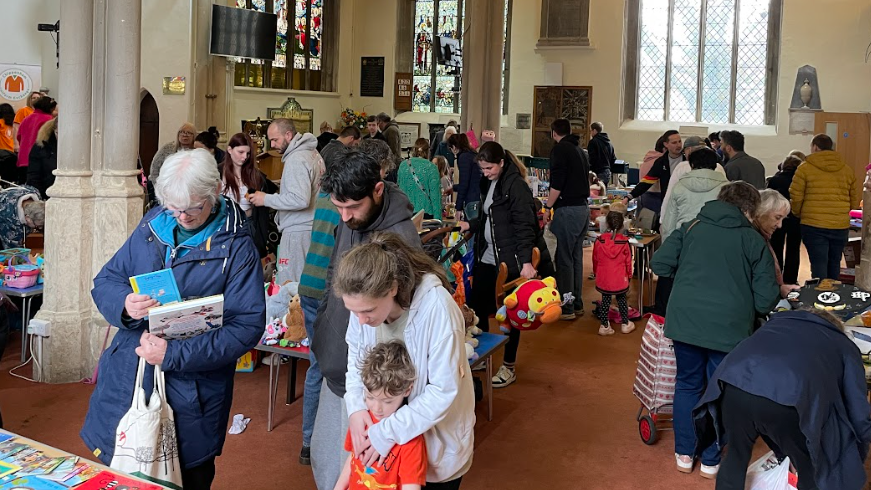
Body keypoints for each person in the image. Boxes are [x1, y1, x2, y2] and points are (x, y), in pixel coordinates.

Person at [82, 149, 266, 490]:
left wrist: (173, 356)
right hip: (128, 379)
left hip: (190, 394)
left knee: (185, 478)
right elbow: (106, 280)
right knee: (120, 474)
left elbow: (247, 326)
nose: (181, 216)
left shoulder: (237, 246)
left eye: (192, 208)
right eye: (173, 207)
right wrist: (124, 305)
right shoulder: (153, 224)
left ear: (214, 192)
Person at [650, 181, 780, 479]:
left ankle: (684, 452)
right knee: (718, 391)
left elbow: (660, 263)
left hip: (685, 323)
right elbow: (765, 299)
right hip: (729, 329)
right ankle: (710, 459)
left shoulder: (691, 227)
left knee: (686, 385)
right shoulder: (752, 240)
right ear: (749, 210)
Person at [310, 150, 419, 490]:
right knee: (325, 459)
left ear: (377, 190)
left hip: (368, 381)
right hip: (336, 359)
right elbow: (334, 272)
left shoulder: (399, 238)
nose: (344, 217)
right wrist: (326, 320)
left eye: (352, 207)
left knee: (359, 472)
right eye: (338, 207)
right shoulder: (351, 218)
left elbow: (404, 318)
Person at [335, 233, 475, 489]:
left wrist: (387, 432)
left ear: (393, 288)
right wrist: (355, 407)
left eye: (368, 311)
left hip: (435, 445)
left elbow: (443, 390)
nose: (360, 320)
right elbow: (355, 364)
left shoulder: (437, 308)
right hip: (385, 446)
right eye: (352, 311)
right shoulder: (362, 311)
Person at [694, 309, 871, 490]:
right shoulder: (843, 344)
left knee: (735, 455)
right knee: (810, 467)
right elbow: (858, 408)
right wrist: (857, 454)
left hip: (733, 385)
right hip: (788, 399)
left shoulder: (775, 325)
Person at [295, 126, 366, 467]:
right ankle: (330, 443)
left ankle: (307, 442)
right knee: (335, 366)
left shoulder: (325, 197)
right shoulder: (346, 205)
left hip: (308, 283)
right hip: (326, 287)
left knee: (316, 365)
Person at [460, 142, 555, 388]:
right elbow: (488, 216)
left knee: (510, 314)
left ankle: (508, 366)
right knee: (479, 306)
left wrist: (525, 263)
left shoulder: (517, 187)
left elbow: (525, 227)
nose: (486, 173)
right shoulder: (489, 182)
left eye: (489, 168)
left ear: (502, 163)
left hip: (510, 260)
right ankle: (481, 355)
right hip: (487, 256)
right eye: (482, 169)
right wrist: (472, 224)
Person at [334, 340, 427, 490]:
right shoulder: (361, 419)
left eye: (387, 401)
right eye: (370, 397)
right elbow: (353, 458)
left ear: (407, 390)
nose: (377, 408)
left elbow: (411, 484)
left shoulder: (410, 438)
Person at [249, 118, 324, 284]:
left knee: (290, 284)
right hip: (310, 226)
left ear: (288, 135)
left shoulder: (296, 159)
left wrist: (265, 198)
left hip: (298, 231)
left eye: (275, 140)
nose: (273, 145)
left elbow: (300, 199)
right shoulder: (312, 153)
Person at [790, 133, 858, 280]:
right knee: (834, 263)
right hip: (840, 225)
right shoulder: (847, 170)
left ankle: (820, 297)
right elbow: (854, 200)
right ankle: (833, 297)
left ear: (815, 147)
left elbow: (796, 196)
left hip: (813, 224)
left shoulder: (804, 169)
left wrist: (798, 213)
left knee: (818, 263)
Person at [543, 118, 590, 320]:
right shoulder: (579, 150)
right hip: (582, 209)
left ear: (554, 132)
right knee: (575, 257)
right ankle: (577, 303)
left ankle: (567, 305)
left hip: (568, 209)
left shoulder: (560, 150)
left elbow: (557, 183)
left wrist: (547, 206)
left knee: (563, 259)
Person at [219, 132, 278, 258]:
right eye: (240, 152)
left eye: (248, 153)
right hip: (223, 225)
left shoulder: (256, 176)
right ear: (230, 150)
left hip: (248, 225)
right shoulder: (217, 174)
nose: (245, 157)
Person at [660, 147, 727, 243]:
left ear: (691, 165)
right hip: (716, 242)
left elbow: (669, 225)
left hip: (684, 240)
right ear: (715, 166)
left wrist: (667, 249)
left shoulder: (679, 187)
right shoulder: (727, 189)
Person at [624, 130, 683, 222]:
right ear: (666, 144)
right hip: (668, 202)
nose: (679, 145)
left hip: (685, 202)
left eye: (680, 141)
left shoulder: (687, 159)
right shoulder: (661, 162)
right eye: (674, 142)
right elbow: (647, 181)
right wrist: (629, 197)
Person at [592, 211, 634, 336]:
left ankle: (604, 326)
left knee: (605, 300)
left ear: (607, 224)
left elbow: (595, 259)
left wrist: (596, 273)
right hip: (619, 278)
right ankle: (625, 324)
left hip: (604, 277)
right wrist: (629, 276)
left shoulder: (599, 240)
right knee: (622, 300)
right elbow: (628, 262)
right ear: (622, 225)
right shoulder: (625, 242)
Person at [755, 190, 801, 299]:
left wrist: (780, 288)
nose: (780, 225)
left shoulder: (760, 237)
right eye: (777, 217)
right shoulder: (753, 241)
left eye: (782, 219)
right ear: (761, 212)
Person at [766, 155, 803, 284]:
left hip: (777, 217)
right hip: (796, 217)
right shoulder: (800, 180)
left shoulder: (775, 180)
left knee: (776, 246)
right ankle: (791, 279)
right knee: (794, 248)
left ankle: (777, 277)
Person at [398, 138, 442, 219]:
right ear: (428, 151)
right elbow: (435, 197)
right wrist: (438, 221)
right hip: (425, 213)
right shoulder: (431, 167)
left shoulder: (403, 165)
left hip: (405, 213)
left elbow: (399, 191)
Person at [16, 96, 55, 184]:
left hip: (23, 158)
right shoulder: (49, 120)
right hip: (39, 159)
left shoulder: (26, 119)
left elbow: (19, 136)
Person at [448, 133, 481, 218]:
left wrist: (458, 208)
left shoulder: (463, 157)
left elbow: (464, 184)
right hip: (478, 198)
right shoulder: (472, 154)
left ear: (454, 147)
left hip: (472, 200)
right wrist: (453, 188)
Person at [26, 116, 58, 200]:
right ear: (54, 130)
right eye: (58, 133)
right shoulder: (40, 146)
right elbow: (33, 175)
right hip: (45, 194)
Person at [587, 122, 616, 188]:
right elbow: (613, 159)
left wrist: (590, 170)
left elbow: (591, 158)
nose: (590, 133)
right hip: (607, 172)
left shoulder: (593, 142)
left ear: (594, 130)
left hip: (597, 172)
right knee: (603, 193)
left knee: (595, 194)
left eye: (590, 130)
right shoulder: (609, 144)